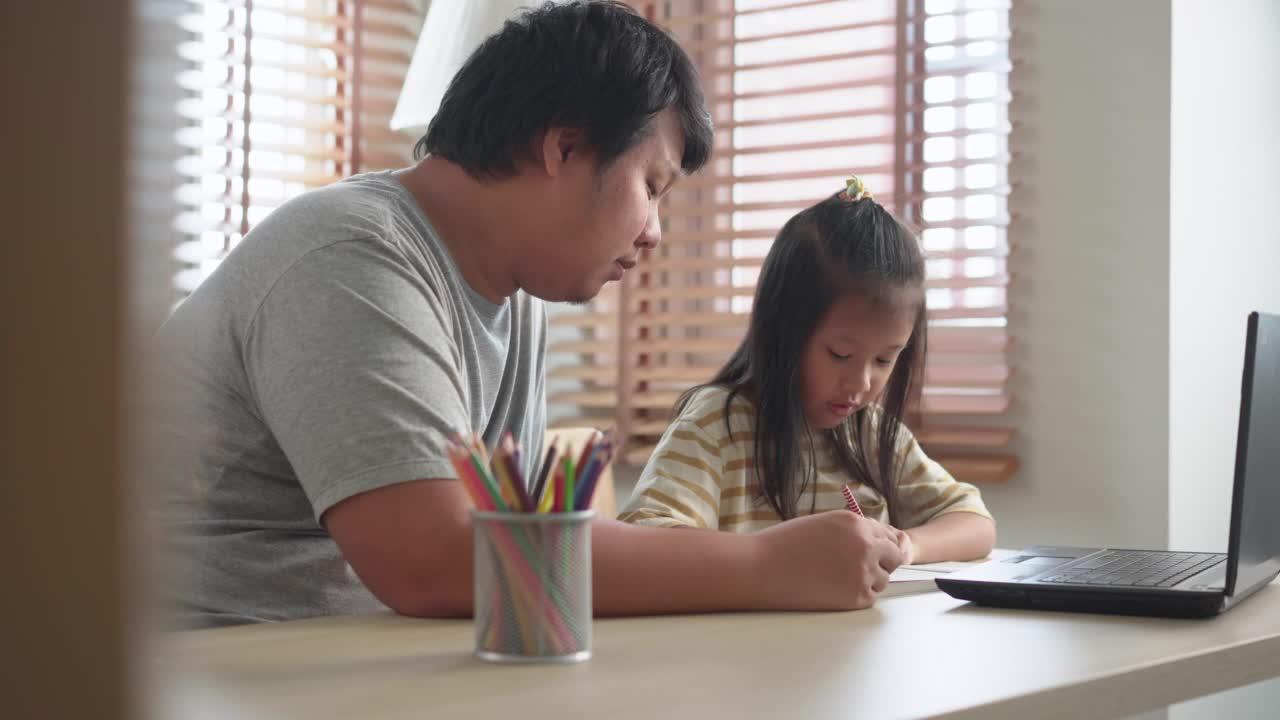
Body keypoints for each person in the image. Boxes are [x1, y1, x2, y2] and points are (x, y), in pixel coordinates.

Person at [151, 1, 903, 628]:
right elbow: (434, 560)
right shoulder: (347, 255)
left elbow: (521, 537)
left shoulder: (515, 300)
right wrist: (765, 563)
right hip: (209, 664)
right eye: (651, 184)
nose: (654, 231)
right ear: (563, 147)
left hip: (361, 660)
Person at [618, 176, 996, 567]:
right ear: (783, 331)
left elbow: (975, 523)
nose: (861, 383)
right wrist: (781, 555)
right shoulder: (717, 425)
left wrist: (907, 546)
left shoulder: (870, 434)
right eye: (839, 353)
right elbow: (647, 538)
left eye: (885, 360)